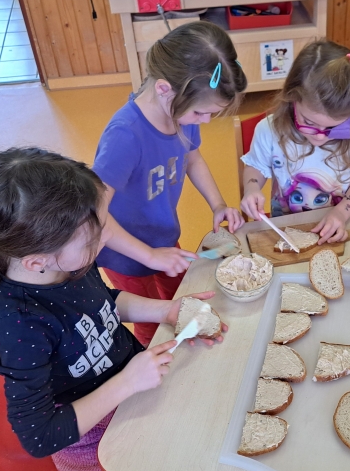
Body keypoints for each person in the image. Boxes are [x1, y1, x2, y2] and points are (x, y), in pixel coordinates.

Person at [0, 147, 213, 471]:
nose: (105, 239)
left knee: (202, 425)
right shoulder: (18, 323)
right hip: (90, 436)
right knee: (176, 470)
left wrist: (166, 310)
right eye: (93, 236)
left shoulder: (67, 263)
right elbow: (38, 436)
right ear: (37, 260)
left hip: (130, 390)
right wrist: (127, 383)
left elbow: (102, 304)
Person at [94, 21, 248, 346]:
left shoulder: (179, 112)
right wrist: (149, 256)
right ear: (164, 89)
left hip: (163, 239)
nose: (205, 121)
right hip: (125, 254)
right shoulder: (125, 135)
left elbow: (192, 157)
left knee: (183, 300)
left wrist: (218, 204)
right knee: (152, 327)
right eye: (202, 113)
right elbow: (94, 215)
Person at [239, 40, 350, 242]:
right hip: (285, 229)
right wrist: (251, 188)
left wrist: (341, 213)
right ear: (292, 99)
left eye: (334, 127)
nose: (320, 136)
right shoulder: (270, 130)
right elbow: (256, 167)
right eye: (309, 122)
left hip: (344, 221)